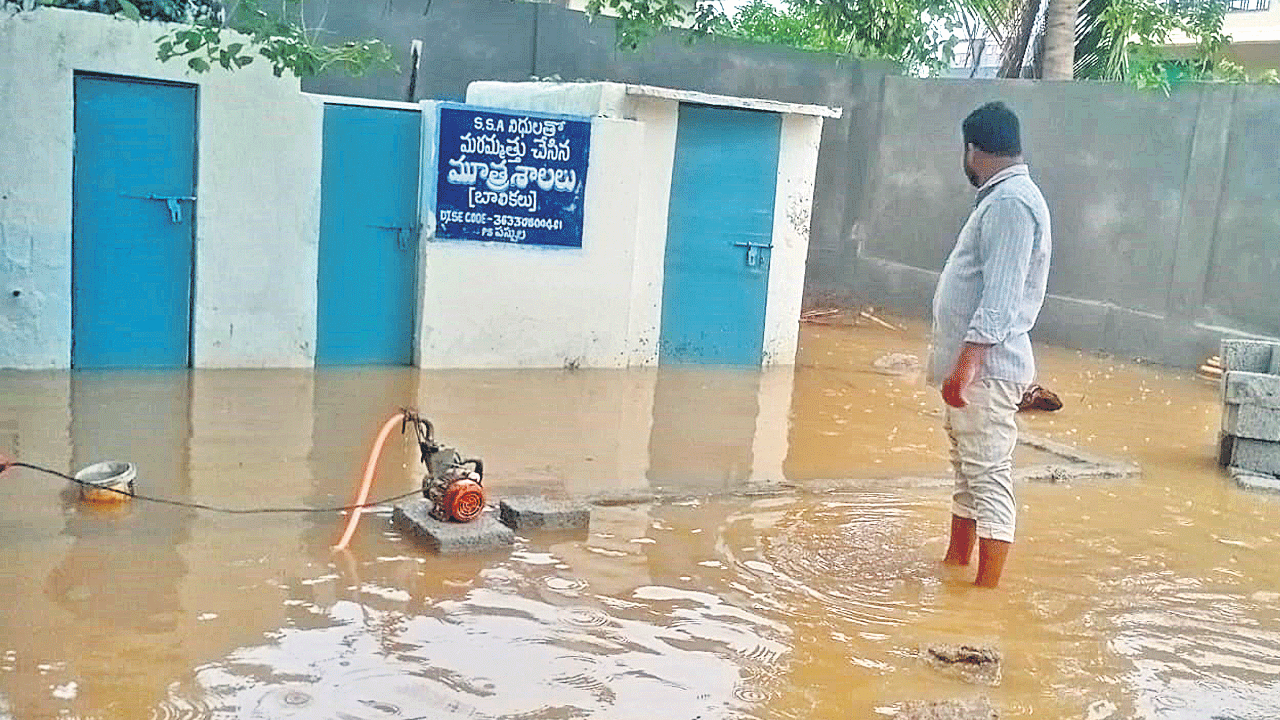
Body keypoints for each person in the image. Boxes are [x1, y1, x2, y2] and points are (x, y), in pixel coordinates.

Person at [930, 102, 1052, 588]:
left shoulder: (1009, 203)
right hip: (981, 368)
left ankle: (985, 595)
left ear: (972, 150)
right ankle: (956, 565)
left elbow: (1000, 298)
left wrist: (966, 365)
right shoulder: (1006, 199)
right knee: (969, 473)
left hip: (988, 370)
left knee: (988, 474)